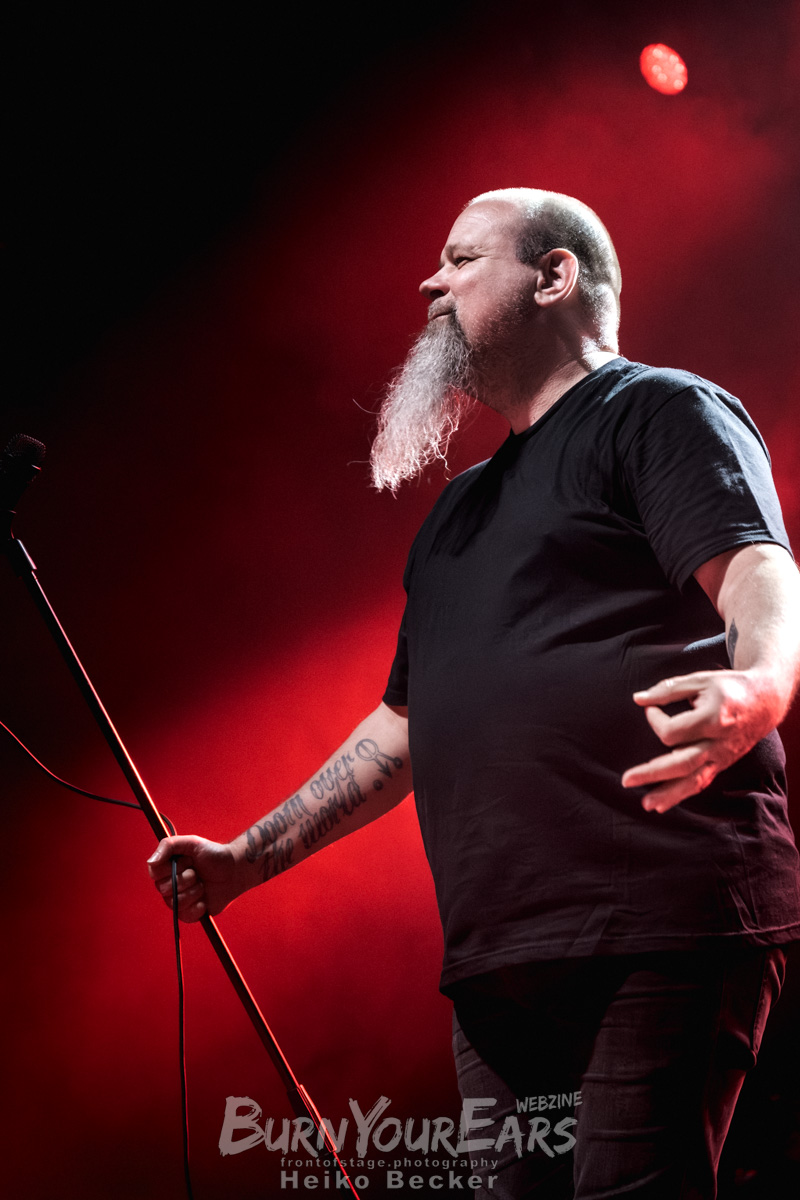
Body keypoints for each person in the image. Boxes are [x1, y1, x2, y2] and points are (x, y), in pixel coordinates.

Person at [148, 189, 800, 1198]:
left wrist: (759, 685)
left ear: (553, 276)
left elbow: (758, 569)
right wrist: (244, 860)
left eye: (460, 259)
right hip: (502, 965)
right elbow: (401, 732)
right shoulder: (458, 512)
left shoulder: (657, 410)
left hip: (657, 923)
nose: (429, 283)